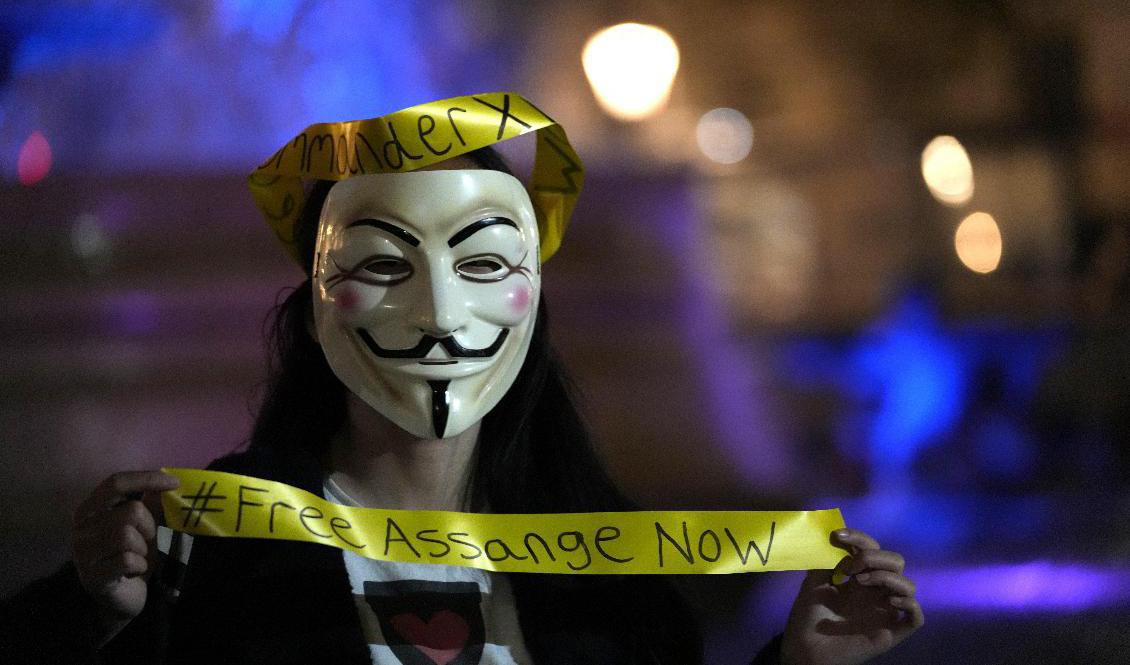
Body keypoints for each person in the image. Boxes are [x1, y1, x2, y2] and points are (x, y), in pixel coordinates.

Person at [3, 103, 922, 664]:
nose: (440, 315)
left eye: (483, 264)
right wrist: (92, 615)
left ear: (534, 295)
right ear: (318, 297)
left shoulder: (614, 589)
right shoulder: (205, 559)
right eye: (383, 264)